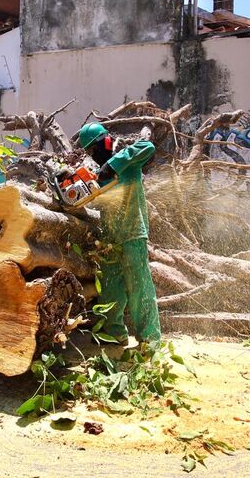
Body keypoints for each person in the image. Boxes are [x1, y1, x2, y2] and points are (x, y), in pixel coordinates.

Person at [77, 122, 161, 343]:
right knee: (110, 289)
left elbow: (148, 147)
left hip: (133, 234)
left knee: (139, 288)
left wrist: (114, 164)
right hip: (108, 239)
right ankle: (113, 334)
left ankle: (150, 340)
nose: (94, 155)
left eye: (94, 149)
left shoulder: (127, 161)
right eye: (90, 152)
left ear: (106, 142)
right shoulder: (98, 174)